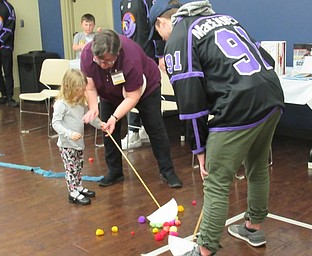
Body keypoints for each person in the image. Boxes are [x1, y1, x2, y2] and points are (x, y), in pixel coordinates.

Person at [149, 1, 285, 255]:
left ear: (162, 23)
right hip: (272, 95)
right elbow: (265, 58)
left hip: (239, 106)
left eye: (158, 32)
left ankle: (204, 250)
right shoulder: (225, 18)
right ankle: (253, 228)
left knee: (216, 180)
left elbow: (190, 103)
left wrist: (200, 151)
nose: (161, 38)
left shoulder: (179, 36)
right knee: (257, 167)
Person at [81, 29, 182, 188]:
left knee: (155, 128)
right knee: (109, 131)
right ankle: (115, 172)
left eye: (107, 61)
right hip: (109, 92)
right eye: (98, 60)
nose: (102, 65)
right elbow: (90, 87)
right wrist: (94, 107)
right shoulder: (87, 54)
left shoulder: (130, 57)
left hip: (145, 90)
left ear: (117, 54)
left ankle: (167, 171)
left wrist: (115, 118)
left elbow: (132, 97)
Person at [119, 0, 166, 150]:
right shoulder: (123, 2)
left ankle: (135, 131)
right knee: (130, 91)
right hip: (130, 56)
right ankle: (138, 129)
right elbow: (126, 30)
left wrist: (160, 54)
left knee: (143, 92)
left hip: (146, 55)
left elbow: (156, 24)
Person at [52, 69, 98, 205]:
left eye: (82, 89)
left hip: (79, 143)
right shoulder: (61, 104)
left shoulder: (79, 103)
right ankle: (72, 193)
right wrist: (69, 134)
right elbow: (55, 123)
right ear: (68, 87)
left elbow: (90, 117)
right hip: (67, 144)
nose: (81, 93)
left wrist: (102, 125)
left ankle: (78, 187)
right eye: (78, 89)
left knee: (78, 166)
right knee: (71, 169)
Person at [0, 0, 17, 107]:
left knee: (7, 71)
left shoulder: (8, 7)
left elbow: (10, 27)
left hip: (5, 46)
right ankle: (3, 95)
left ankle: (10, 97)